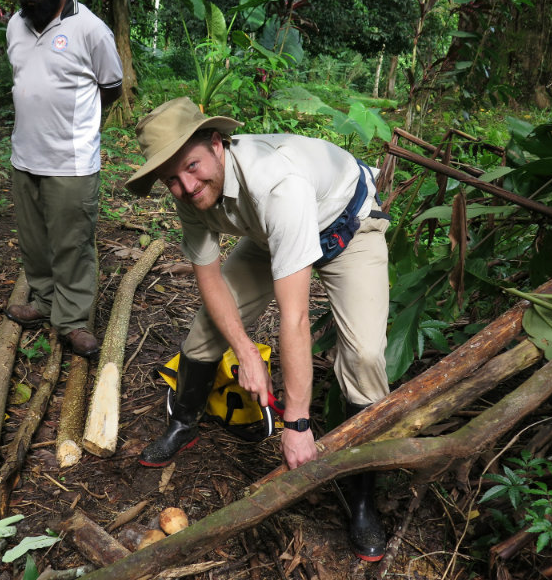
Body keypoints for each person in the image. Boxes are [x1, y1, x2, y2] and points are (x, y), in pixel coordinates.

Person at [125, 97, 391, 562]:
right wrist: (245, 351)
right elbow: (208, 278)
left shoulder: (277, 186)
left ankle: (363, 496)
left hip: (346, 230)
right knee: (206, 333)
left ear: (217, 143)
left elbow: (294, 318)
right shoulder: (188, 189)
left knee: (365, 357)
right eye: (171, 178)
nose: (186, 186)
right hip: (269, 236)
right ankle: (184, 422)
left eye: (192, 166)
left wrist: (298, 423)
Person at [4, 0, 123, 358]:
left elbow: (112, 87)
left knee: (72, 244)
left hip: (70, 162)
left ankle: (72, 321)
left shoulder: (90, 29)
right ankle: (42, 300)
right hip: (24, 156)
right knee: (35, 240)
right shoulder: (15, 26)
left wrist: (81, 127)